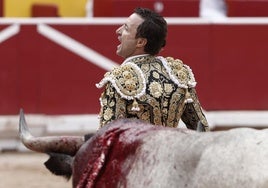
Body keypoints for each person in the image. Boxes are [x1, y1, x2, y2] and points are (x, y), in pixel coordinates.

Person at [96, 7, 209, 131]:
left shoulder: (119, 79)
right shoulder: (178, 74)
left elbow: (107, 138)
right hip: (170, 149)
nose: (118, 30)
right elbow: (201, 130)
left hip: (138, 151)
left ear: (140, 42)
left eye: (126, 28)